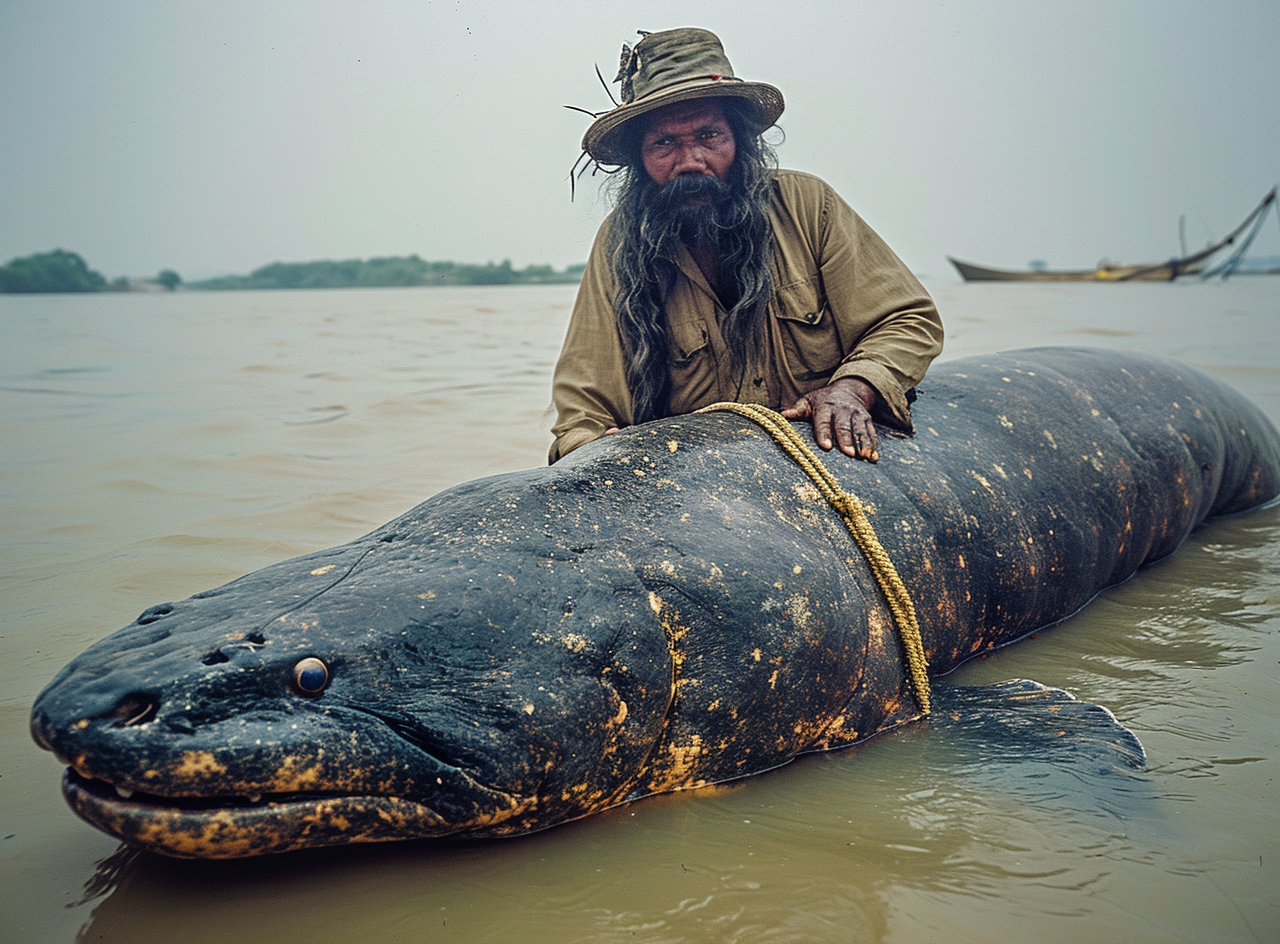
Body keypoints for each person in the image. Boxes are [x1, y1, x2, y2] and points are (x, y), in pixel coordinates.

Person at [550, 27, 942, 464]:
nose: (691, 161)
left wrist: (853, 387)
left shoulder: (808, 206)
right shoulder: (619, 244)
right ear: (639, 160)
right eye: (664, 143)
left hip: (826, 462)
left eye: (708, 136)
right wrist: (589, 449)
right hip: (703, 486)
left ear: (740, 140)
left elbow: (909, 321)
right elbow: (585, 409)